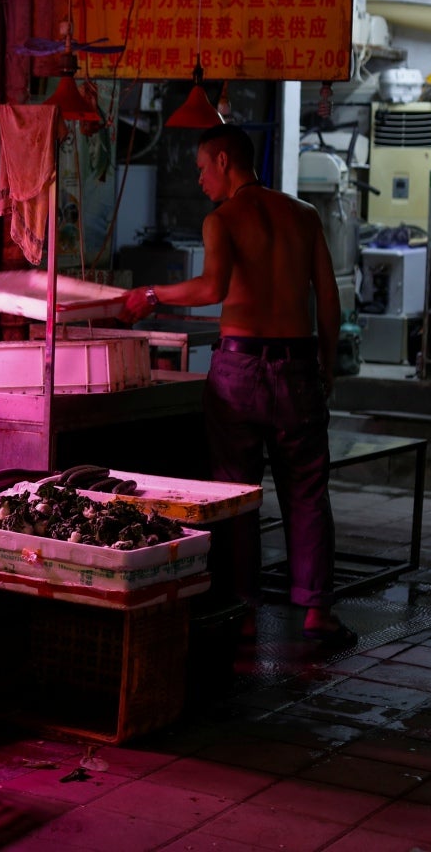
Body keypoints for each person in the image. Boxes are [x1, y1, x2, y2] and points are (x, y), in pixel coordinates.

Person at [120, 123, 353, 646]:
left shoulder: (222, 219)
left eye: (202, 167)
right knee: (308, 494)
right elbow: (329, 298)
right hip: (298, 366)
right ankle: (316, 612)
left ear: (225, 161)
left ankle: (242, 608)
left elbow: (212, 287)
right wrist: (329, 363)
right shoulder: (304, 215)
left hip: (240, 371)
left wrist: (150, 296)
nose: (199, 179)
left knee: (237, 495)